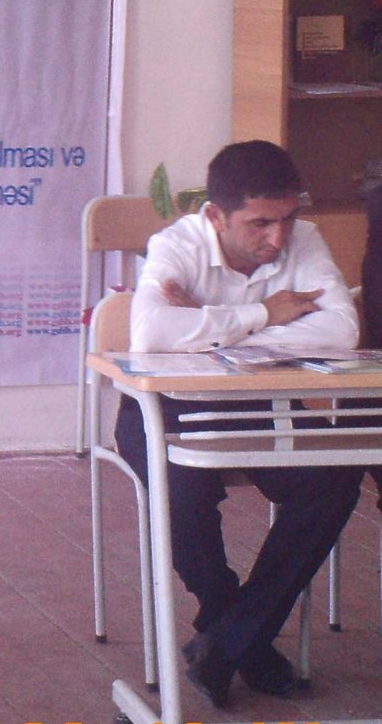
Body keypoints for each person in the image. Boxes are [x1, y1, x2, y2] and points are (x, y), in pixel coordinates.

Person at [120, 139, 362, 708]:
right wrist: (264, 313)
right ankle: (235, 632)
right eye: (259, 223)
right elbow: (150, 335)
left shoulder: (303, 240)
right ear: (215, 216)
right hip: (163, 406)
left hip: (261, 402)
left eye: (287, 218)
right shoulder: (175, 245)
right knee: (183, 487)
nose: (277, 238)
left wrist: (209, 326)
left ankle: (227, 640)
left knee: (334, 475)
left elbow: (341, 331)